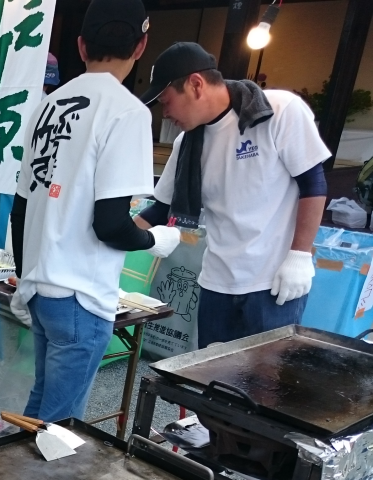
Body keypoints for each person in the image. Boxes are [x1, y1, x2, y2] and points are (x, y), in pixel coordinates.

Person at [9, 0, 181, 422]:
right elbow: (110, 225)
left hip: (42, 289)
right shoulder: (127, 112)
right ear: (141, 46)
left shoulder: (47, 106)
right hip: (80, 296)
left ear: (82, 46)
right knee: (60, 428)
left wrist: (26, 277)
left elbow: (21, 206)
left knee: (41, 409)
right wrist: (156, 239)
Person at [135, 43, 329, 348]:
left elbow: (313, 184)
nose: (166, 113)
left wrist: (300, 256)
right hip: (217, 282)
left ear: (195, 84)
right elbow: (161, 208)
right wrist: (114, 234)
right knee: (211, 373)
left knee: (266, 375)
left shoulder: (278, 111)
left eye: (166, 101)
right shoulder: (187, 143)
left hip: (273, 282)